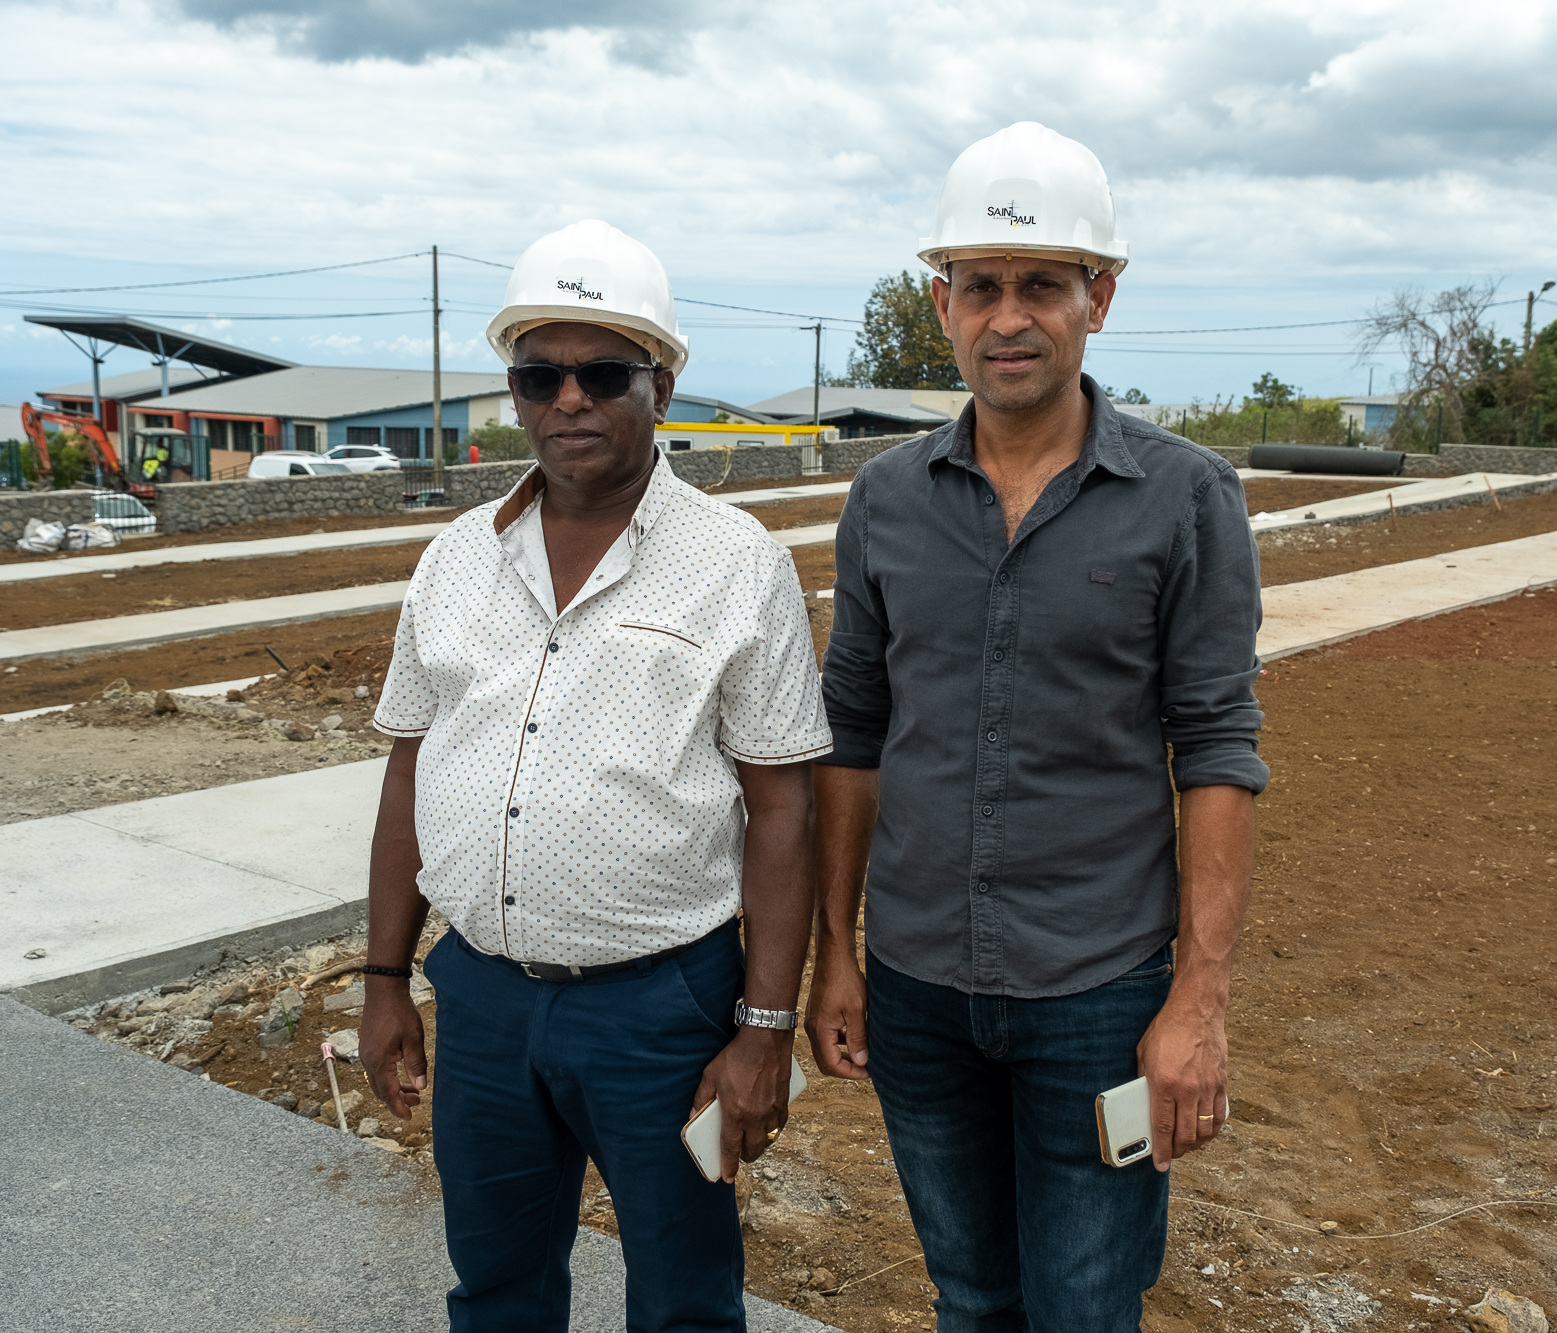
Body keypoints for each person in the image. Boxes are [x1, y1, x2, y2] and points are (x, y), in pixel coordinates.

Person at [808, 122, 1269, 1331]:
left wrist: (1197, 1001)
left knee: (1083, 1305)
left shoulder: (1182, 498)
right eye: (981, 287)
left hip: (1098, 994)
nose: (1007, 318)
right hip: (914, 988)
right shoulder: (885, 501)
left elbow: (1216, 747)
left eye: (1041, 286)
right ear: (942, 302)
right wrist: (837, 952)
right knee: (969, 1297)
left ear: (1097, 299)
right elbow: (852, 734)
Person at [359, 219, 831, 1333]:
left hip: (659, 1008)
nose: (568, 399)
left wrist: (763, 1026)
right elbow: (407, 772)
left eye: (602, 372)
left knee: (682, 1299)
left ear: (659, 384)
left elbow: (782, 809)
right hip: (479, 996)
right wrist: (385, 978)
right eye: (538, 373)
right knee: (497, 1286)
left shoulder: (735, 562)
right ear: (514, 391)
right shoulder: (454, 556)